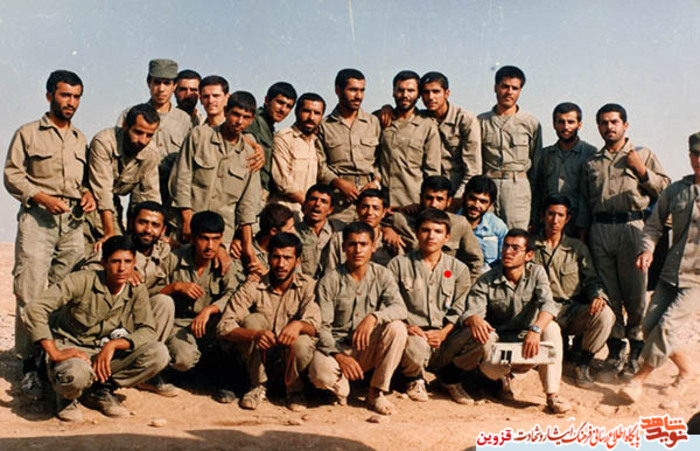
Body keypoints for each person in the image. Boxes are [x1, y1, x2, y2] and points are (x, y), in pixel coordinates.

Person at [4, 70, 96, 399]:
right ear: (49, 96)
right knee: (30, 290)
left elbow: (83, 181)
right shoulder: (27, 133)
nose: (71, 102)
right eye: (64, 95)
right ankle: (30, 365)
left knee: (64, 291)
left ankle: (52, 359)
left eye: (76, 96)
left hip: (72, 222)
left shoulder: (80, 139)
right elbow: (12, 175)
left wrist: (88, 195)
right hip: (38, 218)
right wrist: (40, 197)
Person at [26, 236, 169, 422]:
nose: (122, 268)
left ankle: (99, 390)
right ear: (103, 262)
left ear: (134, 263)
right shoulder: (82, 280)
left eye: (127, 262)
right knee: (75, 375)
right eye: (115, 261)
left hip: (103, 350)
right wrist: (54, 352)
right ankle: (66, 397)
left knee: (158, 353)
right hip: (72, 350)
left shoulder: (135, 289)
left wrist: (114, 345)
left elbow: (148, 329)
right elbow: (35, 308)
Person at [577, 103, 670, 376]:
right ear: (598, 127)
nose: (609, 127)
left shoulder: (643, 154)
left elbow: (665, 190)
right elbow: (585, 201)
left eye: (614, 122)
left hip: (632, 227)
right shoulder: (592, 162)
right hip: (600, 229)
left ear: (625, 125)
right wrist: (584, 235)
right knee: (610, 293)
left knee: (636, 293)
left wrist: (642, 171)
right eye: (604, 123)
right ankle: (616, 350)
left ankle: (636, 352)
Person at [437, 229, 571, 414]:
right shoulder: (486, 280)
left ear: (529, 255)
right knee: (483, 334)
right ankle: (497, 379)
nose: (508, 252)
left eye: (515, 248)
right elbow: (473, 310)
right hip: (498, 345)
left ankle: (552, 395)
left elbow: (548, 305)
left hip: (527, 342)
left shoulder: (537, 273)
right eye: (505, 246)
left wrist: (535, 330)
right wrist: (474, 318)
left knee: (552, 328)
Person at [618, 133, 700, 402]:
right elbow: (654, 226)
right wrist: (647, 249)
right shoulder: (676, 190)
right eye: (695, 154)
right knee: (650, 324)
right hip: (671, 272)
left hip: (697, 278)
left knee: (667, 327)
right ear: (689, 156)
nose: (699, 160)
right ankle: (687, 372)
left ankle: (638, 380)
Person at [309, 222, 408, 415]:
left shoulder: (382, 275)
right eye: (352, 244)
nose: (358, 250)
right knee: (321, 375)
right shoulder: (329, 281)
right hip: (337, 348)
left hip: (366, 346)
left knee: (397, 328)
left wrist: (374, 317)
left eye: (363, 244)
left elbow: (400, 308)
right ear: (343, 247)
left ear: (373, 246)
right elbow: (323, 328)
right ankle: (340, 388)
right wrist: (339, 356)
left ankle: (376, 391)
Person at [217, 233, 321, 411]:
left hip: (290, 363)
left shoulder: (308, 286)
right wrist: (254, 334)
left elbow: (315, 327)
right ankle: (257, 387)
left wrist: (298, 325)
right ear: (268, 258)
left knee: (303, 341)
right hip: (258, 362)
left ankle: (295, 391)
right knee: (253, 320)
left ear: (297, 261)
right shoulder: (253, 285)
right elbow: (223, 326)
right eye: (276, 257)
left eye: (287, 258)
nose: (281, 264)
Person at [169, 92, 261, 268]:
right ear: (225, 111)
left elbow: (247, 205)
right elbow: (181, 177)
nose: (239, 121)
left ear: (252, 120)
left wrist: (247, 247)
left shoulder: (250, 155)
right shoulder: (199, 136)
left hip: (221, 237)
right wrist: (187, 219)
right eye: (235, 114)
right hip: (187, 228)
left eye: (246, 117)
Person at [388, 209, 471, 403]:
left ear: (447, 237)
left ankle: (449, 378)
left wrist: (444, 332)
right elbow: (389, 302)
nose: (431, 236)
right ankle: (414, 379)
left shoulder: (458, 269)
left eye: (438, 231)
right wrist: (407, 327)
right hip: (414, 334)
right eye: (425, 230)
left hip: (446, 337)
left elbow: (459, 307)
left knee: (482, 337)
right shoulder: (398, 265)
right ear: (417, 233)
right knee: (413, 345)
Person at [533, 195, 614, 388]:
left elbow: (591, 279)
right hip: (542, 313)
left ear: (567, 218)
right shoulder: (530, 247)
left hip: (571, 310)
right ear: (543, 216)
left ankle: (583, 364)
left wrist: (598, 296)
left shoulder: (577, 248)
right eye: (551, 214)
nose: (555, 220)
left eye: (560, 215)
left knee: (605, 315)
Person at [160, 211, 244, 375]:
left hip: (211, 325)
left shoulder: (226, 264)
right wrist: (176, 287)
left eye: (215, 239)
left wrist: (209, 310)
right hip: (179, 324)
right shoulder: (173, 259)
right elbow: (152, 293)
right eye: (204, 239)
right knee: (184, 359)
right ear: (192, 238)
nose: (210, 246)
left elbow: (233, 294)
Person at [117, 59, 192, 213]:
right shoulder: (131, 113)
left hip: (172, 195)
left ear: (174, 85)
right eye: (157, 82)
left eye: (167, 83)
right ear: (148, 83)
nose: (161, 89)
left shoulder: (184, 120)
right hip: (141, 193)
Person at [86, 103, 161, 250]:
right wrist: (109, 233)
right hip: (90, 198)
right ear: (125, 125)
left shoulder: (151, 153)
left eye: (149, 135)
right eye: (138, 132)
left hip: (113, 204)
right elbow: (102, 191)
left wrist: (154, 231)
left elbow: (149, 194)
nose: (143, 140)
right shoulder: (104, 141)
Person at [478, 65, 542, 230]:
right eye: (505, 86)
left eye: (515, 88)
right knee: (486, 233)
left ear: (520, 91)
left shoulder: (530, 122)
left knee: (516, 234)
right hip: (488, 186)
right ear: (495, 87)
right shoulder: (481, 122)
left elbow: (536, 164)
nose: (509, 92)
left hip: (518, 187)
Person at [385, 176, 483, 282]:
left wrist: (464, 286)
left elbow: (476, 260)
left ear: (449, 201)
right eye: (429, 198)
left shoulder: (459, 224)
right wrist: (385, 230)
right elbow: (373, 226)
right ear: (421, 197)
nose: (433, 204)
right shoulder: (401, 220)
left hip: (445, 283)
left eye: (439, 199)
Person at [317, 69, 381, 223]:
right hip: (338, 200)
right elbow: (319, 163)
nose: (358, 96)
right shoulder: (324, 126)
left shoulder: (373, 122)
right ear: (338, 90)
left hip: (368, 201)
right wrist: (338, 182)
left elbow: (381, 160)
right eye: (353, 90)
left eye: (362, 90)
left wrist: (376, 182)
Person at [376, 70, 441, 208]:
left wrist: (423, 204)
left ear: (418, 94)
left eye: (411, 90)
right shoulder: (380, 119)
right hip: (382, 205)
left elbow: (432, 171)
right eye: (400, 90)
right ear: (393, 92)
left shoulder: (427, 126)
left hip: (412, 205)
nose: (405, 95)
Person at [532, 103, 597, 233]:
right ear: (554, 124)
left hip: (579, 224)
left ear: (579, 125)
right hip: (550, 223)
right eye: (561, 122)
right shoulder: (545, 155)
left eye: (571, 122)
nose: (566, 127)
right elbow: (537, 191)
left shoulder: (591, 154)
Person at [419, 71, 481, 202]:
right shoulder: (420, 119)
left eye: (436, 92)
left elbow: (473, 169)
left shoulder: (465, 120)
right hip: (430, 194)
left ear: (446, 93)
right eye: (426, 92)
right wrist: (386, 109)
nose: (430, 97)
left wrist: (457, 199)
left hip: (458, 191)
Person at [270, 92, 326, 216]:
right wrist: (307, 202)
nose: (311, 117)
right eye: (306, 111)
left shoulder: (317, 142)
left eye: (317, 113)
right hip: (284, 211)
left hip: (309, 213)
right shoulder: (284, 138)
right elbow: (282, 181)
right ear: (296, 112)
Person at [245, 82, 298, 201]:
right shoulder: (253, 120)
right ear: (267, 100)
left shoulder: (269, 127)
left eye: (288, 106)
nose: (283, 110)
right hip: (251, 190)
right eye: (280, 102)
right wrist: (254, 145)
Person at [323, 189, 399, 272]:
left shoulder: (391, 241)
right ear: (357, 209)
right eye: (365, 207)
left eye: (375, 208)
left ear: (383, 212)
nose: (369, 212)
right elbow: (330, 272)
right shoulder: (339, 239)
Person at [294, 184, 345, 278]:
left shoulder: (337, 232)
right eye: (313, 199)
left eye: (324, 201)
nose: (317, 204)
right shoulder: (294, 232)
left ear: (330, 210)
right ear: (304, 204)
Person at [461, 175, 508, 272]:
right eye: (472, 199)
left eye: (483, 202)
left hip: (488, 276)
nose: (476, 205)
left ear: (490, 205)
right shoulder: (450, 222)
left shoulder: (497, 226)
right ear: (463, 197)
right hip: (453, 274)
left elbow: (503, 259)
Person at [248, 203, 296, 274]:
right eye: (289, 229)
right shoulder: (245, 252)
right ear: (274, 231)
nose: (294, 231)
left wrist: (267, 276)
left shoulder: (291, 248)